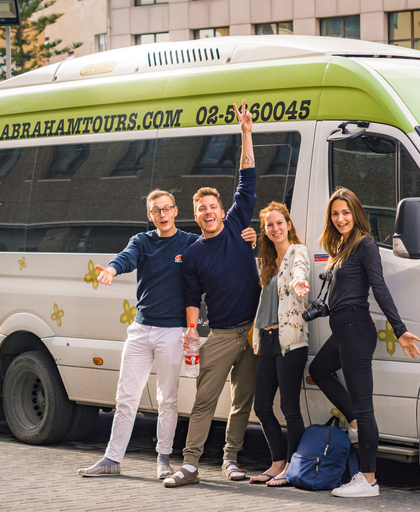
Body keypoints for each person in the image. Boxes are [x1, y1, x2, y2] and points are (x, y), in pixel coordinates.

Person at [78, 189, 256, 479]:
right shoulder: (141, 241)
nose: (162, 214)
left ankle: (163, 459)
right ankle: (112, 458)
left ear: (176, 211)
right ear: (150, 216)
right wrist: (111, 269)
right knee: (125, 397)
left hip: (172, 333)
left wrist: (249, 237)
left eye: (167, 209)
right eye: (156, 211)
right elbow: (126, 257)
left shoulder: (190, 243)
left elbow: (221, 246)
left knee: (167, 399)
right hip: (141, 329)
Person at [164, 100, 261, 488]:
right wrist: (191, 329)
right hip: (220, 335)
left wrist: (246, 133)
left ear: (223, 209)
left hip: (252, 332)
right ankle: (189, 464)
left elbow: (247, 179)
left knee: (243, 401)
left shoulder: (239, 225)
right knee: (205, 400)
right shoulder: (192, 254)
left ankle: (231, 460)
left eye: (213, 206)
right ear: (196, 214)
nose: (209, 212)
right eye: (202, 208)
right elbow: (192, 297)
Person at [308, 187, 420, 498]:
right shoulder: (341, 245)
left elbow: (379, 287)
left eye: (346, 212)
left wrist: (400, 329)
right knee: (318, 370)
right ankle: (354, 420)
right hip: (343, 328)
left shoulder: (365, 244)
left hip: (356, 328)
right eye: (335, 213)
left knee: (365, 407)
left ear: (356, 213)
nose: (341, 218)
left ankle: (368, 479)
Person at [248, 202, 310, 487]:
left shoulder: (298, 251)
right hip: (268, 339)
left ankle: (291, 467)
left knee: (289, 407)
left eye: (278, 223)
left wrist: (299, 283)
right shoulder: (265, 258)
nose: (274, 229)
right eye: (269, 225)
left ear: (288, 224)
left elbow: (300, 271)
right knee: (261, 405)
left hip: (290, 342)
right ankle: (276, 464)